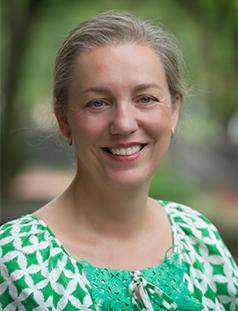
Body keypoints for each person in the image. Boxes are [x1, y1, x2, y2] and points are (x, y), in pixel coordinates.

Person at [0, 10, 237, 311]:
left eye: (146, 98)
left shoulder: (198, 237)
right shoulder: (15, 260)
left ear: (174, 110)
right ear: (64, 119)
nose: (124, 123)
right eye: (97, 102)